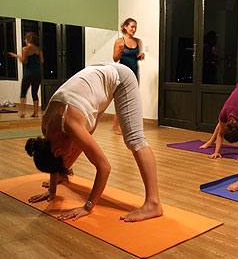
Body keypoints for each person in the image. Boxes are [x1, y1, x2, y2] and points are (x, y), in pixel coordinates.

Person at [25, 63, 163, 222]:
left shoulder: (69, 122)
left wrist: (87, 206)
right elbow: (53, 154)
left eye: (63, 161)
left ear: (58, 152)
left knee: (134, 139)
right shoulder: (47, 128)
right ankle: (61, 177)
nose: (69, 157)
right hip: (95, 80)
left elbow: (104, 167)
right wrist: (52, 188)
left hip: (120, 78)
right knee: (76, 140)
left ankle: (153, 203)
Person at [112, 18, 144, 135]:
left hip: (135, 73)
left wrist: (140, 55)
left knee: (131, 99)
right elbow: (115, 59)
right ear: (125, 27)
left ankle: (126, 126)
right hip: (123, 73)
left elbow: (135, 56)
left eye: (135, 27)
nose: (134, 29)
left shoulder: (138, 41)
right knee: (122, 100)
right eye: (132, 27)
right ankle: (116, 126)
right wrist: (120, 51)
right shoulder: (119, 41)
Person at [9, 32, 44, 118]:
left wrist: (17, 56)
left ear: (26, 39)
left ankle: (23, 112)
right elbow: (42, 61)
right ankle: (36, 113)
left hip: (28, 72)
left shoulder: (25, 49)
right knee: (34, 93)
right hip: (37, 73)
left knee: (23, 92)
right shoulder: (38, 49)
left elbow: (25, 61)